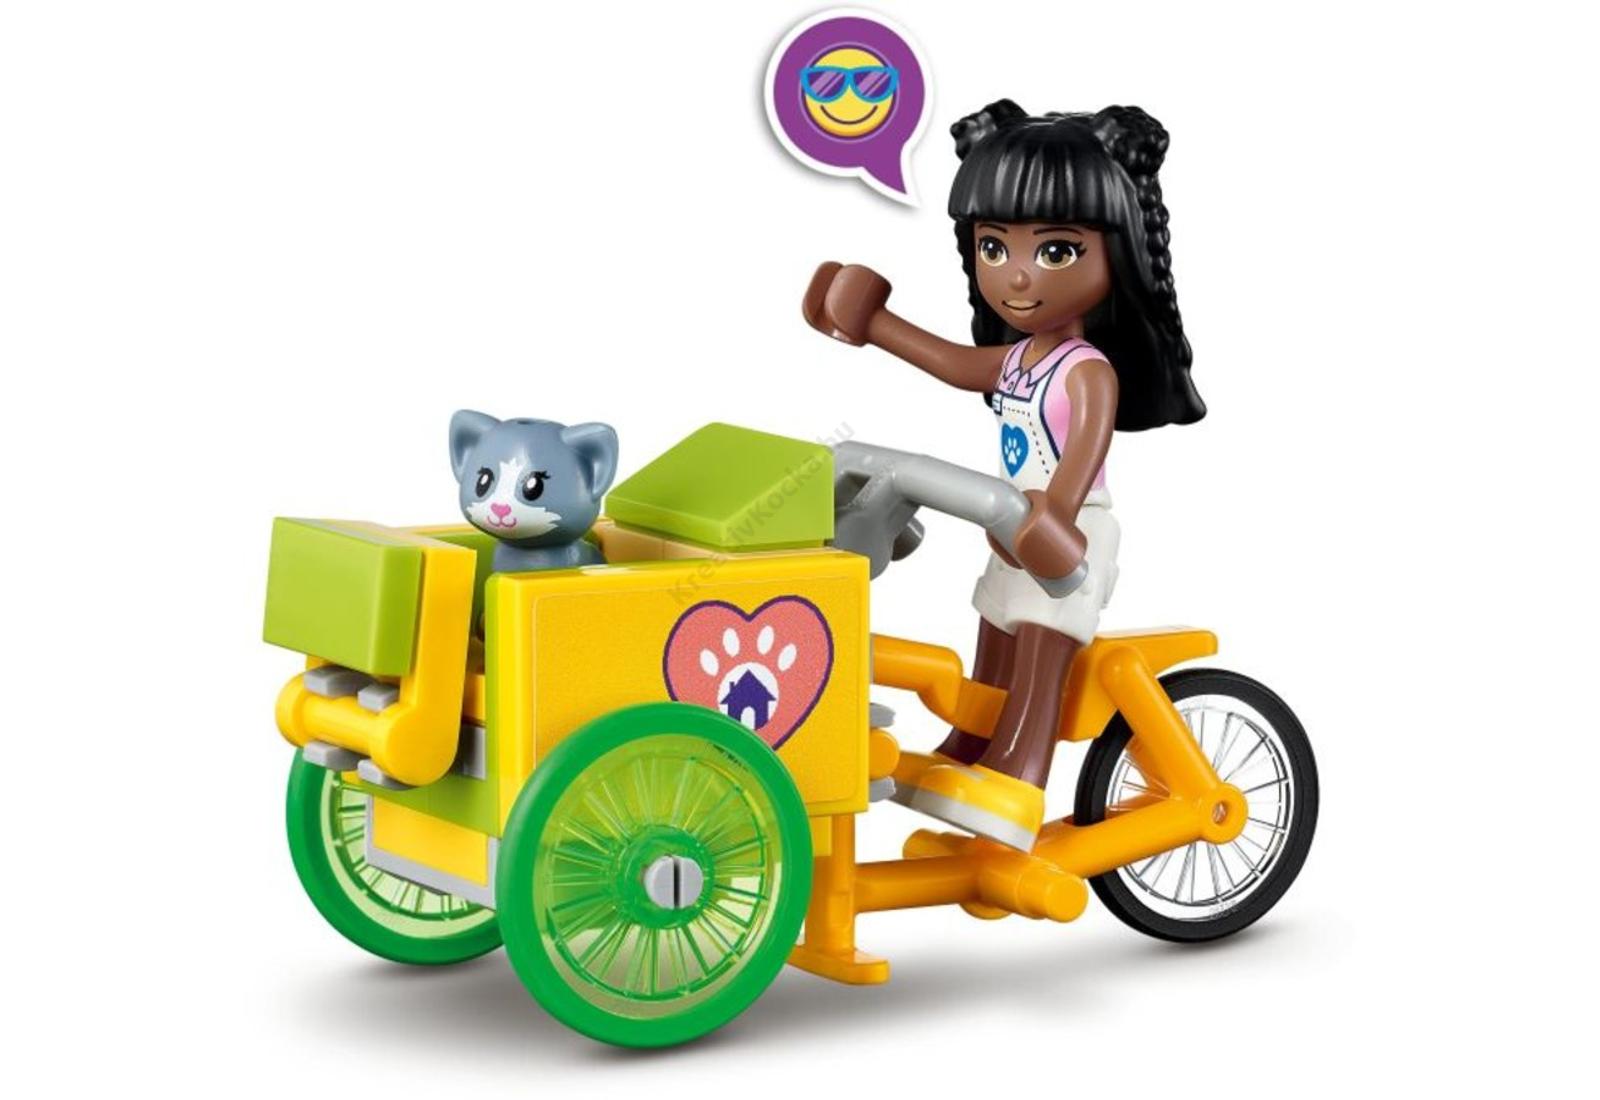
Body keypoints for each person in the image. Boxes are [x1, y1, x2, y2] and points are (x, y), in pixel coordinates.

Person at [802, 101, 1204, 850]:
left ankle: (1019, 768)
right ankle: (970, 744)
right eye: (994, 247)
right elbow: (955, 364)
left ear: (1113, 255)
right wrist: (873, 325)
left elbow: (1083, 453)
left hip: (1068, 528)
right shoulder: (1019, 359)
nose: (1016, 274)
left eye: (1055, 251)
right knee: (995, 632)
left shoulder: (1087, 370)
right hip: (1007, 519)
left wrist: (1054, 517)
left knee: (1042, 647)